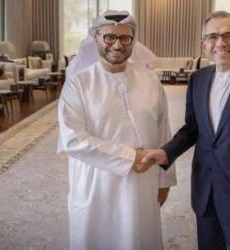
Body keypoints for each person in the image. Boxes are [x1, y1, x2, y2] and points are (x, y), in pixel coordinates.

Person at [143, 11, 230, 250]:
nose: (220, 43)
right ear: (204, 45)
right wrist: (166, 152)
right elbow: (193, 128)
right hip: (205, 193)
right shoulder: (198, 79)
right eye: (212, 37)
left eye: (228, 35)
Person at [57, 10, 176, 250]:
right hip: (95, 184)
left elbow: (164, 131)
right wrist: (131, 158)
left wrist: (165, 180)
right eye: (109, 37)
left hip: (143, 182)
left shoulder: (151, 81)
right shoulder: (78, 83)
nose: (117, 45)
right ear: (97, 38)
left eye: (125, 38)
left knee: (140, 238)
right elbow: (72, 139)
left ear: (133, 40)